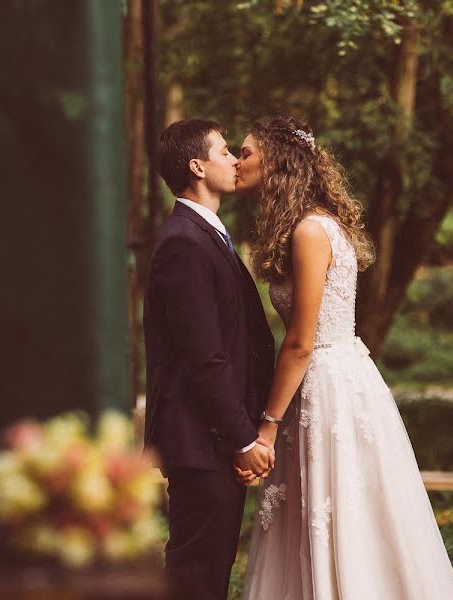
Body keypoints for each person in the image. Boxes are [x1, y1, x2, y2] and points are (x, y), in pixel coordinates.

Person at [235, 114, 453, 599]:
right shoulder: (319, 223)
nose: (239, 161)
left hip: (324, 383)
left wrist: (268, 424)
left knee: (338, 511)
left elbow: (300, 342)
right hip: (336, 376)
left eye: (247, 152)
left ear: (276, 162)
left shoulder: (309, 231)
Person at [143, 119, 277, 600]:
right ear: (197, 166)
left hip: (212, 438)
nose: (234, 161)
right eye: (224, 152)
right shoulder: (184, 242)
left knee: (208, 572)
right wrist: (242, 439)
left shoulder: (207, 234)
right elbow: (205, 357)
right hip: (202, 440)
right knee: (197, 577)